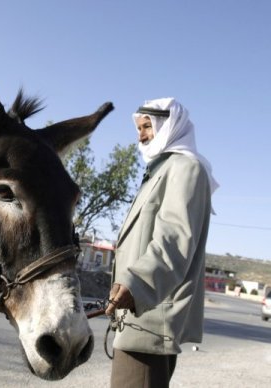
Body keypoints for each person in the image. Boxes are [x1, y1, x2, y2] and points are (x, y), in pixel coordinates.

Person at [105, 97, 219, 388]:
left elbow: (174, 240)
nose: (140, 135)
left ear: (171, 126)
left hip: (150, 319)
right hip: (135, 316)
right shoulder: (161, 170)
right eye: (139, 128)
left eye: (148, 127)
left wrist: (136, 284)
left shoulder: (186, 168)